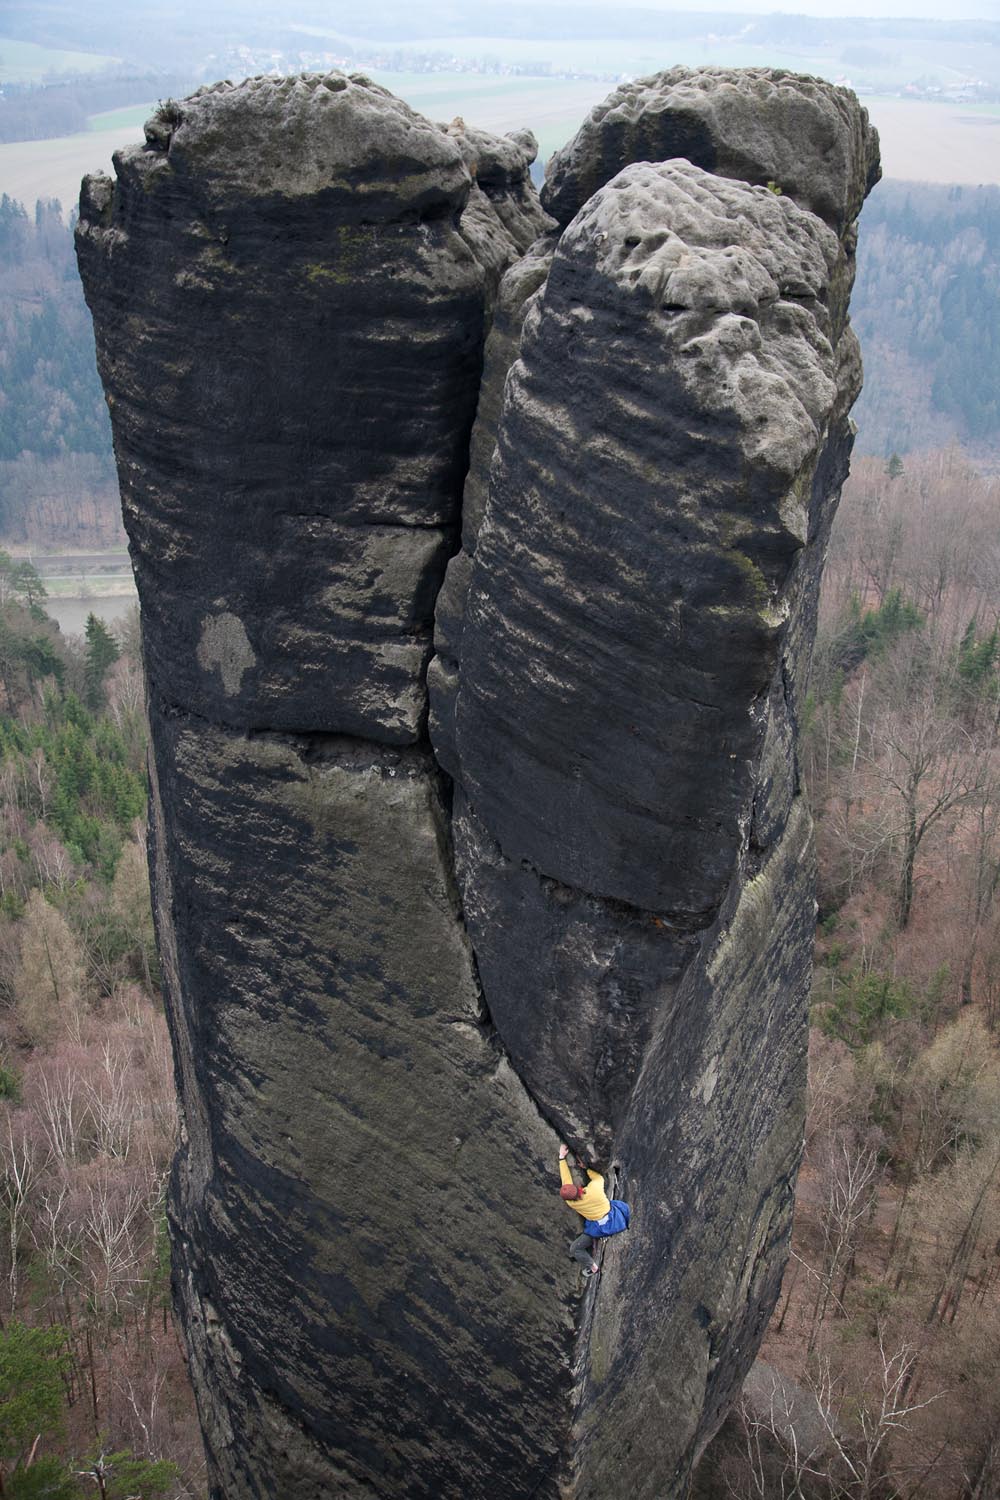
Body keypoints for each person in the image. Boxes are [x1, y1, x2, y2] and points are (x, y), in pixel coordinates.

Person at [558, 1143, 631, 1278]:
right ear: (577, 1187)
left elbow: (565, 1181)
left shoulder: (572, 1203)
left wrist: (562, 1159)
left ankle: (592, 1267)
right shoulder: (594, 1189)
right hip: (616, 1218)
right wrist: (586, 1169)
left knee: (575, 1248)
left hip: (599, 1229)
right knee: (618, 1206)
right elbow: (598, 1178)